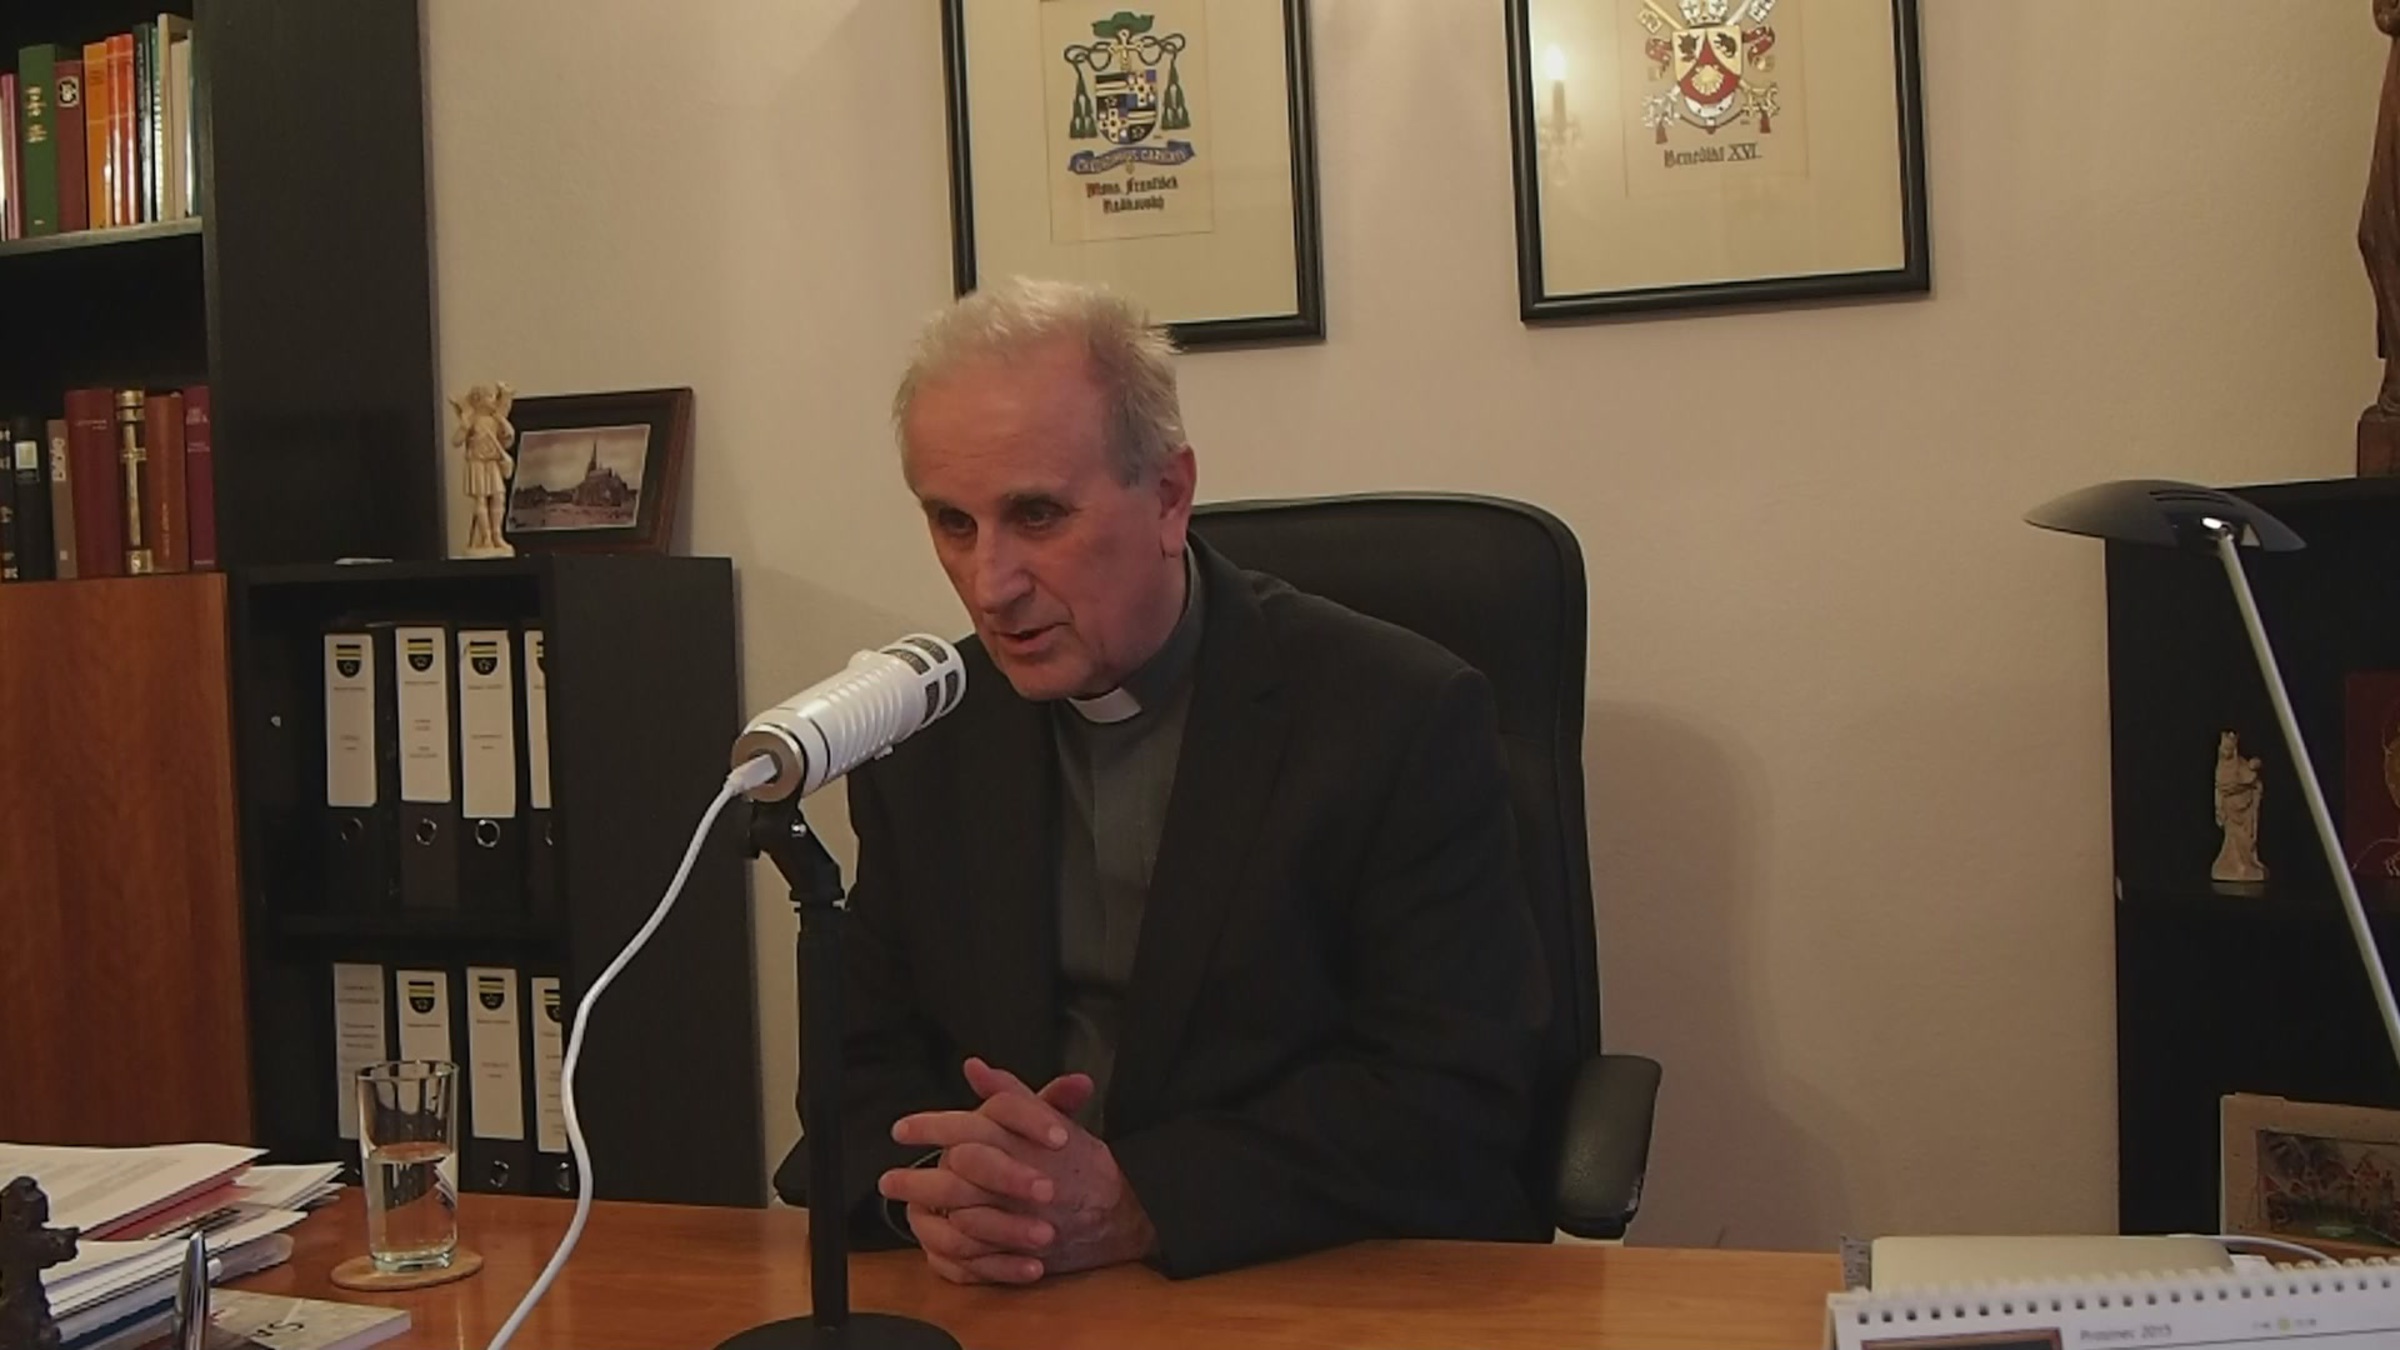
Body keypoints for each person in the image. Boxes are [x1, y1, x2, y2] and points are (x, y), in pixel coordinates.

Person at [772, 277, 1549, 1283]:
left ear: (1170, 496)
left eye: (1037, 515)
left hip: (1295, 1278)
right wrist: (943, 1185)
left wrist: (1141, 1199)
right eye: (953, 524)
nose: (990, 584)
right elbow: (858, 1067)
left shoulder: (1398, 716)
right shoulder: (924, 731)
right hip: (1005, 1288)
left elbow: (1452, 1092)